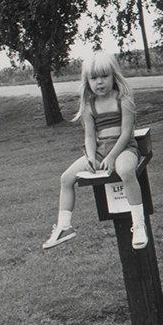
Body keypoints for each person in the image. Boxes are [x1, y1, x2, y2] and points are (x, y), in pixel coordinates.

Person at [44, 52, 149, 250]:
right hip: (100, 151)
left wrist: (111, 157)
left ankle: (138, 223)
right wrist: (91, 157)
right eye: (94, 78)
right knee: (66, 179)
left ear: (113, 76)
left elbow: (127, 133)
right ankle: (64, 226)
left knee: (126, 171)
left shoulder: (123, 99)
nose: (99, 82)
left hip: (123, 148)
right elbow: (90, 137)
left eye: (104, 76)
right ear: (87, 81)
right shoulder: (88, 106)